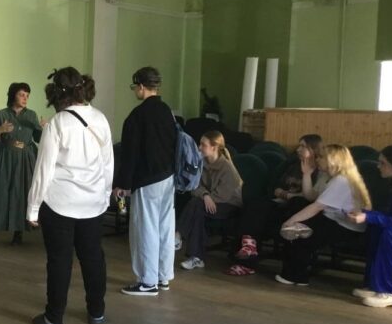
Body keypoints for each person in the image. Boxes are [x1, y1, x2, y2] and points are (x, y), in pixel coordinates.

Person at [27, 67, 113, 324]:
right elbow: (108, 163)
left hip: (60, 204)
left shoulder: (57, 123)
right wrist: (104, 196)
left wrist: (33, 208)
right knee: (93, 258)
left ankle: (54, 317)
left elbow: (44, 170)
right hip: (93, 205)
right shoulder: (100, 118)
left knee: (59, 261)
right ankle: (97, 312)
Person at [113, 67, 176, 296]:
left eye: (134, 87)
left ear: (141, 86)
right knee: (165, 229)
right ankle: (162, 276)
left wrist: (122, 184)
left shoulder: (137, 115)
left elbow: (130, 155)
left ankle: (148, 282)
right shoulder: (167, 111)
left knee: (145, 230)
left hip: (147, 180)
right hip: (168, 177)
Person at [227, 135, 328, 276]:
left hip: (299, 208)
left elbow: (312, 196)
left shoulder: (321, 169)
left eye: (303, 146)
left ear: (313, 149)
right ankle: (248, 247)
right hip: (280, 202)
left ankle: (249, 256)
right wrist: (283, 193)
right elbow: (276, 187)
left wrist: (290, 195)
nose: (298, 149)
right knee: (255, 204)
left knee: (291, 205)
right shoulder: (292, 165)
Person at [277, 144, 371, 286]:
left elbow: (317, 206)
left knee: (300, 234)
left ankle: (295, 276)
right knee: (298, 216)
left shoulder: (341, 180)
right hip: (334, 219)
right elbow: (310, 196)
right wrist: (307, 174)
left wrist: (290, 221)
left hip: (346, 226)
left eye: (321, 157)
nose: (317, 160)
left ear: (332, 160)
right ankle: (296, 274)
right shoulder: (331, 177)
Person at [0, 82, 44, 245]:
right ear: (13, 95)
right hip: (5, 157)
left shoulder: (31, 115)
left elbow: (39, 139)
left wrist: (44, 129)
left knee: (21, 193)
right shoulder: (1, 114)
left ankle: (18, 234)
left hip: (25, 158)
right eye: (22, 95)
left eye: (27, 96)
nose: (25, 98)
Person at [176, 131, 242, 270]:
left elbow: (224, 195)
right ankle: (196, 257)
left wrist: (205, 197)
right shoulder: (202, 163)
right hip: (207, 201)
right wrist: (205, 195)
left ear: (214, 148)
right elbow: (194, 186)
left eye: (203, 145)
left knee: (197, 205)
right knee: (198, 209)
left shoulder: (227, 168)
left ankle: (179, 236)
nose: (199, 147)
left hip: (229, 205)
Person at [347, 144, 392, 307]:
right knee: (377, 228)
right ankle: (375, 285)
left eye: (383, 163)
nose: (378, 166)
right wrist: (366, 214)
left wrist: (368, 216)